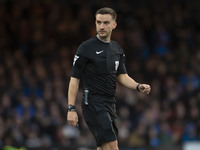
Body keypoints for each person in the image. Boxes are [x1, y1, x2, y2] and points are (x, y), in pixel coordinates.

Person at [67, 7, 151, 150]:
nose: (101, 26)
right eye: (98, 22)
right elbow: (74, 79)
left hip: (109, 104)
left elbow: (122, 76)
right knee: (112, 146)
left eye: (106, 23)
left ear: (114, 25)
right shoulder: (86, 48)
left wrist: (138, 86)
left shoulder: (116, 49)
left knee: (104, 147)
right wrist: (71, 108)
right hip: (93, 102)